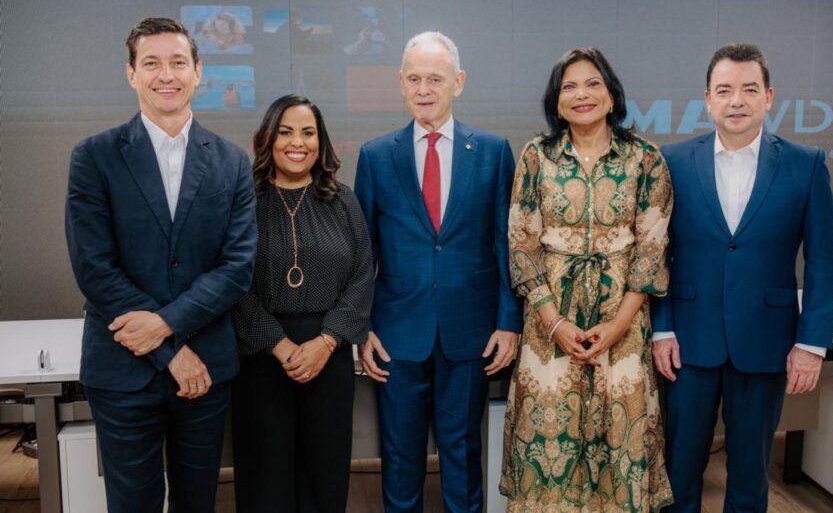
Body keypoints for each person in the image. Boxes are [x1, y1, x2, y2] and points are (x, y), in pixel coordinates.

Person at [64, 17, 256, 513]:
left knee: (199, 503)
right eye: (151, 63)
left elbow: (236, 267)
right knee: (132, 503)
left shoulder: (232, 162)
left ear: (198, 72)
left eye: (177, 62)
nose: (164, 74)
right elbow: (94, 268)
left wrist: (168, 325)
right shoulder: (94, 156)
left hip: (206, 370)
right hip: (122, 370)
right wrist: (172, 352)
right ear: (131, 73)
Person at [651, 43, 833, 512]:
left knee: (751, 476)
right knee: (679, 471)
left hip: (767, 344)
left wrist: (811, 344)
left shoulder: (806, 164)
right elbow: (654, 255)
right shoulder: (671, 162)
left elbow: (824, 262)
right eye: (725, 90)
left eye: (749, 89)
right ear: (707, 99)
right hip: (688, 345)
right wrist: (663, 327)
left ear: (769, 96)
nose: (737, 100)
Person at [354, 31, 522, 512]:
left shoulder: (491, 152)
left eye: (435, 78)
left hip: (470, 334)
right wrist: (361, 328)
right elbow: (363, 253)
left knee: (462, 453)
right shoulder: (376, 155)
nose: (424, 88)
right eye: (413, 79)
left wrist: (509, 322)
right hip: (396, 335)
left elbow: (504, 243)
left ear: (459, 82)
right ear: (400, 83)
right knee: (400, 457)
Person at [500, 47, 674, 511]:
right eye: (569, 86)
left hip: (625, 322)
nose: (582, 94)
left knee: (621, 439)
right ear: (556, 102)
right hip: (548, 322)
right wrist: (555, 323)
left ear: (612, 95)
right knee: (548, 442)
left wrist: (615, 329)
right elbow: (521, 243)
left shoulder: (646, 159)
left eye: (593, 83)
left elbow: (651, 249)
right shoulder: (536, 156)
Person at [231, 94, 374, 512]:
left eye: (308, 133)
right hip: (260, 357)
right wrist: (280, 345)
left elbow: (364, 274)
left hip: (327, 357)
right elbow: (233, 283)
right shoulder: (244, 202)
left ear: (321, 141)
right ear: (268, 140)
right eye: (286, 132)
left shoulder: (343, 200)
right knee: (265, 479)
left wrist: (326, 342)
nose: (298, 142)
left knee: (325, 474)